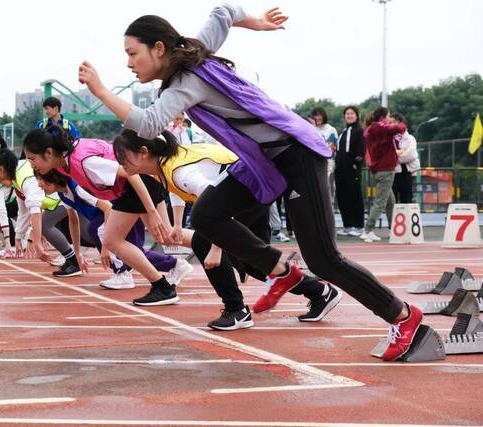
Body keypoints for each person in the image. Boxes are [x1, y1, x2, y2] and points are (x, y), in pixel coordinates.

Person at [77, 4, 422, 361]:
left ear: (158, 49)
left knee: (324, 259)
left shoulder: (183, 82)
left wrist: (100, 90)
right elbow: (224, 11)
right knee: (208, 213)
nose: (129, 63)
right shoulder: (197, 49)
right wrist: (254, 23)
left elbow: (148, 125)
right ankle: (280, 272)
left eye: (133, 54)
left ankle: (403, 315)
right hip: (263, 162)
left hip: (298, 154)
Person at [113, 130, 342, 328]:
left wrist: (217, 247)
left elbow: (212, 202)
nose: (119, 162)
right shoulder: (167, 165)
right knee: (255, 263)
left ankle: (236, 310)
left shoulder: (179, 170)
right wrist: (176, 225)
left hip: (253, 190)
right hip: (254, 189)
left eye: (122, 156)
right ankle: (320, 292)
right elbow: (179, 192)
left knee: (203, 242)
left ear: (143, 152)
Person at [23, 128, 194, 305]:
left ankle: (162, 287)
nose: (31, 165)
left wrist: (151, 210)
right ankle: (212, 243)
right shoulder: (63, 164)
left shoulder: (83, 161)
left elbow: (130, 173)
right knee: (167, 235)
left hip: (137, 183)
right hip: (137, 184)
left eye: (32, 159)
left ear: (49, 153)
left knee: (112, 241)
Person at [35, 169, 171, 289]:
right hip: (117, 213)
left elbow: (108, 208)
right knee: (134, 253)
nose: (39, 185)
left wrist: (105, 248)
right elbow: (73, 221)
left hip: (125, 211)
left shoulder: (78, 188)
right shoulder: (63, 195)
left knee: (96, 228)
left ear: (54, 177)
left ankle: (122, 274)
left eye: (41, 180)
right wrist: (77, 253)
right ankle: (175, 265)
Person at [0, 149, 83, 276]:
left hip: (65, 197)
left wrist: (35, 243)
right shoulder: (16, 178)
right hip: (58, 201)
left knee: (47, 225)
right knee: (51, 225)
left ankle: (75, 261)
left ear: (1, 170)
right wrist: (18, 236)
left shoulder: (24, 177)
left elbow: (35, 211)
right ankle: (72, 261)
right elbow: (24, 211)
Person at [362, 107, 407, 242]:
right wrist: (400, 123)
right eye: (388, 117)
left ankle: (394, 228)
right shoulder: (382, 128)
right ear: (382, 117)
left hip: (377, 169)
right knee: (381, 202)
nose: (389, 120)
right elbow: (400, 128)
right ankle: (368, 229)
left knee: (390, 201)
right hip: (386, 169)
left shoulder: (370, 129)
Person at [335, 106, 365, 237]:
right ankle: (347, 225)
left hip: (352, 171)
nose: (349, 115)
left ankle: (359, 226)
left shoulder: (359, 131)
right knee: (342, 198)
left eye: (352, 113)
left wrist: (355, 164)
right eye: (347, 114)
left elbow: (361, 151)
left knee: (355, 197)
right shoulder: (343, 132)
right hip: (340, 170)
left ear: (357, 116)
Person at [390, 113, 420, 204]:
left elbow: (410, 155)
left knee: (406, 199)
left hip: (406, 171)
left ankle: (407, 217)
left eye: (394, 122)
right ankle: (393, 218)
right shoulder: (388, 138)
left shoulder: (410, 138)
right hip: (392, 171)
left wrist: (394, 158)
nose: (391, 124)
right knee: (392, 200)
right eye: (390, 122)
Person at [311, 107, 338, 203]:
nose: (317, 118)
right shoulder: (311, 129)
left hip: (328, 162)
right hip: (314, 163)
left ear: (323, 116)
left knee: (327, 186)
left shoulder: (331, 130)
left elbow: (335, 149)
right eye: (315, 115)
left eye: (319, 115)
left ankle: (329, 207)